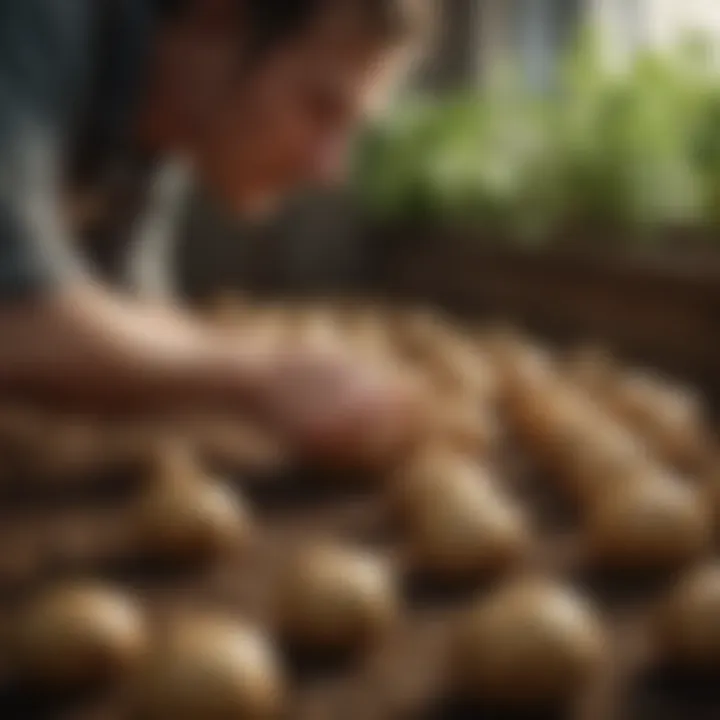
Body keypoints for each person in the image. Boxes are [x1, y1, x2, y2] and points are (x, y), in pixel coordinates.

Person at [0, 0, 425, 458]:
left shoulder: (153, 127)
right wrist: (261, 375)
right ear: (216, 16)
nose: (328, 169)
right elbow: (17, 314)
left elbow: (132, 322)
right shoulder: (34, 20)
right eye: (319, 106)